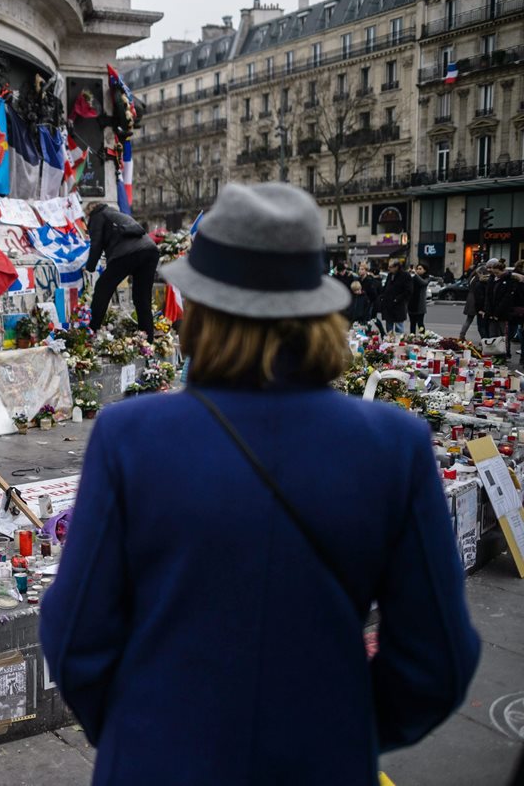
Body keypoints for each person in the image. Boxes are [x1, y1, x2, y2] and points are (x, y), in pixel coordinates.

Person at [40, 183, 479, 786]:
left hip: (158, 759)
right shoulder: (394, 446)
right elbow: (439, 661)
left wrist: (141, 725)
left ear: (200, 307)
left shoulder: (130, 437)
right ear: (319, 309)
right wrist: (337, 726)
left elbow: (73, 635)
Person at [85, 203, 160, 337]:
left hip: (127, 253)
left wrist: (89, 267)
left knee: (103, 287)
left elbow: (96, 243)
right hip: (150, 250)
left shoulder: (97, 215)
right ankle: (147, 338)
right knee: (142, 297)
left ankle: (91, 330)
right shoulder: (116, 214)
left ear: (90, 211)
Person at [379, 258, 410, 334]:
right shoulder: (390, 275)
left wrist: (397, 299)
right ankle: (389, 342)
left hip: (398, 305)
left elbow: (408, 291)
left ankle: (399, 342)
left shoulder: (405, 275)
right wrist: (382, 296)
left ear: (396, 267)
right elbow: (386, 287)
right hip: (388, 304)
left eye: (390, 267)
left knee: (399, 327)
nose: (388, 268)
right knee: (389, 327)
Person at [460, 266, 487, 341]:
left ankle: (462, 335)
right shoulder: (479, 279)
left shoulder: (472, 277)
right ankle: (483, 339)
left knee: (469, 319)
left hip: (470, 298)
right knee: (480, 322)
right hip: (475, 298)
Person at [357, 261, 384, 335]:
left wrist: (364, 294)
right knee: (371, 319)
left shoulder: (369, 280)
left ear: (366, 271)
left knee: (369, 320)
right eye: (359, 269)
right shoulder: (358, 280)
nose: (360, 271)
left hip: (370, 303)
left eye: (362, 269)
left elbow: (374, 294)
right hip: (361, 303)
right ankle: (381, 332)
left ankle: (369, 335)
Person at [408, 263, 429, 334]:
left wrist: (415, 275)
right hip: (411, 303)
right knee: (412, 324)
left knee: (420, 323)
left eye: (420, 269)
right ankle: (412, 337)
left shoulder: (427, 277)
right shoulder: (413, 277)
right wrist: (408, 274)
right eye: (417, 269)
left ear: (425, 270)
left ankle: (423, 337)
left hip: (420, 304)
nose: (418, 270)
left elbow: (423, 283)